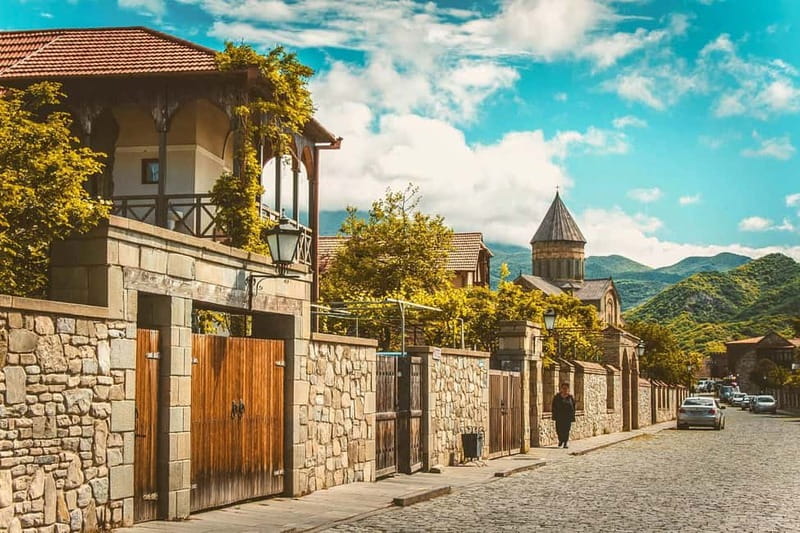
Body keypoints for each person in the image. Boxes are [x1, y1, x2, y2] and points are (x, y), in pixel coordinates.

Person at [552, 381, 576, 448]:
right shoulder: (557, 397)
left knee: (566, 430)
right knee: (559, 429)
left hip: (567, 417)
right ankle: (560, 440)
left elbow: (573, 407)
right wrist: (554, 415)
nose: (564, 390)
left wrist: (572, 416)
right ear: (561, 389)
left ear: (568, 389)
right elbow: (553, 406)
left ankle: (565, 442)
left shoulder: (570, 397)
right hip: (559, 416)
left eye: (566, 388)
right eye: (563, 388)